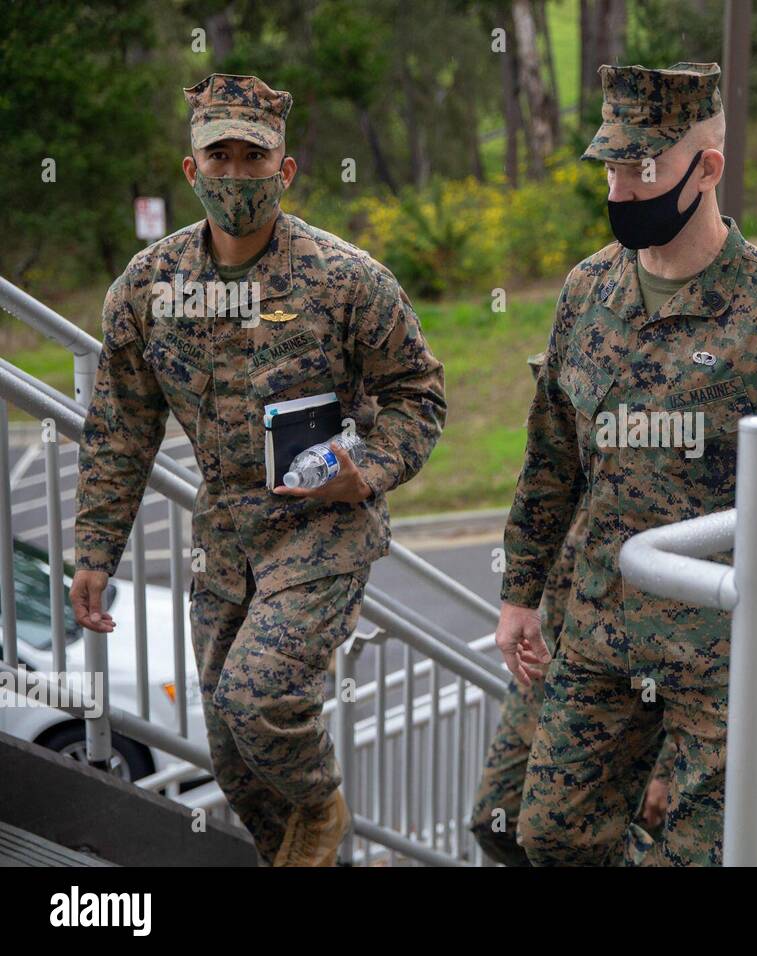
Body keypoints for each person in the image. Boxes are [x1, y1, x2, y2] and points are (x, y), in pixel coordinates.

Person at [495, 63, 757, 866]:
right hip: (602, 629)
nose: (623, 190)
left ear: (707, 168)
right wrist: (520, 593)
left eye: (644, 170)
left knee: (705, 857)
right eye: (612, 167)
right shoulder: (587, 292)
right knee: (551, 836)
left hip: (728, 654)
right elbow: (550, 460)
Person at [71, 73, 446, 867]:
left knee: (261, 697)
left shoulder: (346, 280)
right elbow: (121, 428)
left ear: (287, 169)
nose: (237, 175)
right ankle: (302, 848)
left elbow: (418, 393)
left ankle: (323, 802)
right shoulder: (148, 289)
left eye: (254, 158)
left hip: (323, 523)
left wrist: (367, 469)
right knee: (234, 756)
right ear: (191, 170)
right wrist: (96, 553)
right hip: (225, 537)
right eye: (221, 157)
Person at [470, 353, 672, 866]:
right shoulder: (561, 483)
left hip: (627, 688)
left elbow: (687, 634)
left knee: (599, 834)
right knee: (496, 818)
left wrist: (666, 770)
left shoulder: (652, 486)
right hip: (548, 677)